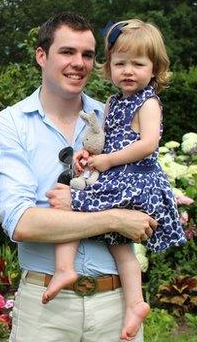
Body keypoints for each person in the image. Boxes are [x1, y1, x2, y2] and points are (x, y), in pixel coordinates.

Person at [0, 12, 157, 342]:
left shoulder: (115, 116)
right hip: (45, 308)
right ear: (42, 56)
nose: (79, 63)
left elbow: (143, 195)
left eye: (88, 54)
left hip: (117, 303)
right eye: (67, 52)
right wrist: (114, 218)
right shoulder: (10, 124)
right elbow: (21, 223)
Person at [44, 19, 187, 341]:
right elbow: (102, 139)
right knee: (120, 247)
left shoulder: (148, 102)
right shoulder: (112, 102)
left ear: (155, 68)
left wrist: (107, 161)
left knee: (70, 204)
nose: (128, 71)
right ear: (108, 67)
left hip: (137, 179)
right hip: (115, 175)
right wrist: (86, 153)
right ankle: (135, 302)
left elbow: (148, 143)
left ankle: (65, 268)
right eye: (119, 63)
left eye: (138, 64)